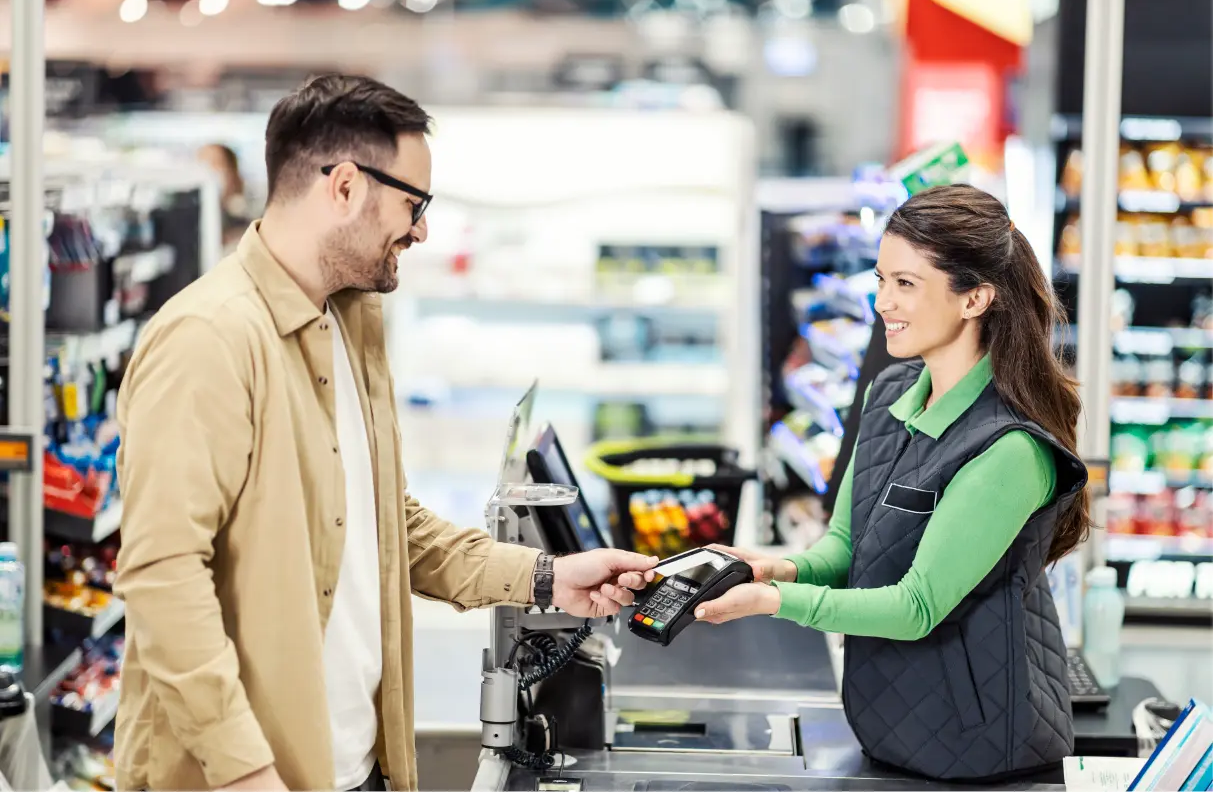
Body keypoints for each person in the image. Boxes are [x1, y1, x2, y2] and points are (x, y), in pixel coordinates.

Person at [113, 74, 659, 792]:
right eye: (413, 202)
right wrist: (244, 769)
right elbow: (162, 577)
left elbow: (384, 525)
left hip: (354, 767)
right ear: (343, 186)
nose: (422, 228)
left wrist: (548, 577)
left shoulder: (350, 322)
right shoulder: (208, 338)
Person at [696, 184, 1091, 782]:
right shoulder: (889, 397)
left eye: (906, 283)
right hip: (888, 723)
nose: (883, 302)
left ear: (975, 298)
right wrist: (773, 568)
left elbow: (916, 607)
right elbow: (848, 547)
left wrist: (771, 603)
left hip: (978, 743)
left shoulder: (1010, 449)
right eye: (881, 279)